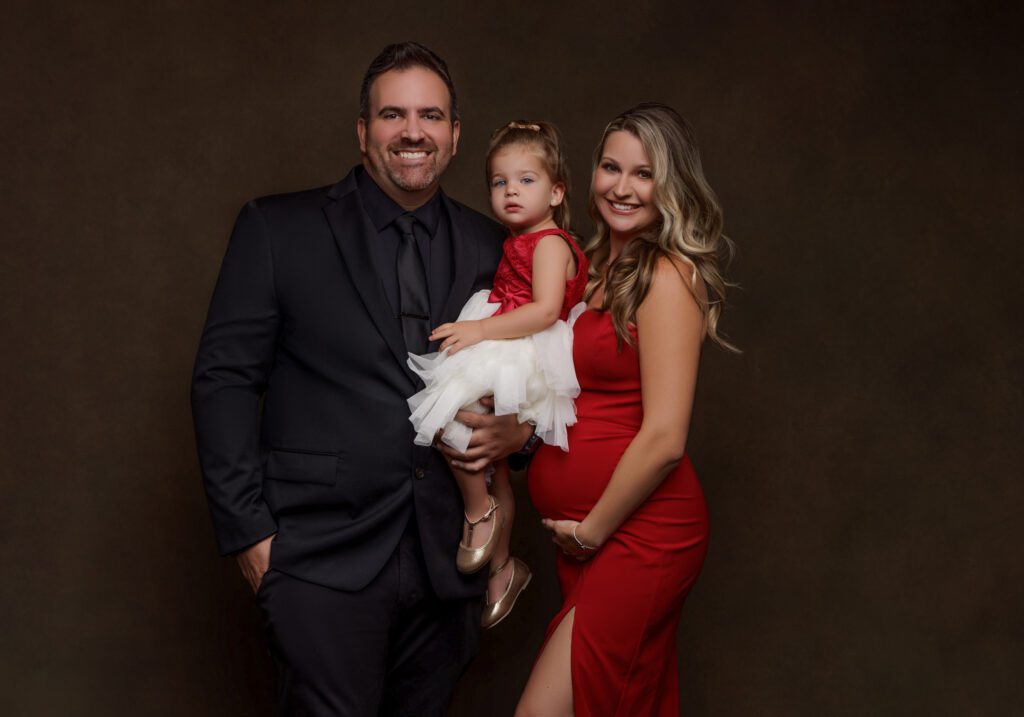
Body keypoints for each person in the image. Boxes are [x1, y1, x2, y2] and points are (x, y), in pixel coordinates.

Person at [191, 42, 518, 716]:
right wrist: (251, 536)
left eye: (430, 115)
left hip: (446, 559)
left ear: (455, 136)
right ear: (363, 131)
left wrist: (517, 434)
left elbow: (530, 382)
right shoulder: (278, 229)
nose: (412, 131)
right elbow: (223, 380)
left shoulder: (496, 247)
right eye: (392, 114)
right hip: (318, 556)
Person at [515, 102, 737, 716]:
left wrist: (591, 532)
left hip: (640, 531)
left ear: (670, 185)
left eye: (643, 174)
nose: (622, 186)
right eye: (611, 167)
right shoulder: (588, 268)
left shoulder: (667, 276)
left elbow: (665, 436)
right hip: (588, 533)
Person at [406, 120, 588, 628]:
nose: (510, 192)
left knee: (450, 418)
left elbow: (546, 309)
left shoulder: (549, 244)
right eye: (500, 181)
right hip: (510, 333)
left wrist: (482, 333)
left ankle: (478, 513)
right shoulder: (519, 239)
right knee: (494, 457)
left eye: (526, 181)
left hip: (523, 343)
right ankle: (503, 566)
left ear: (556, 192)